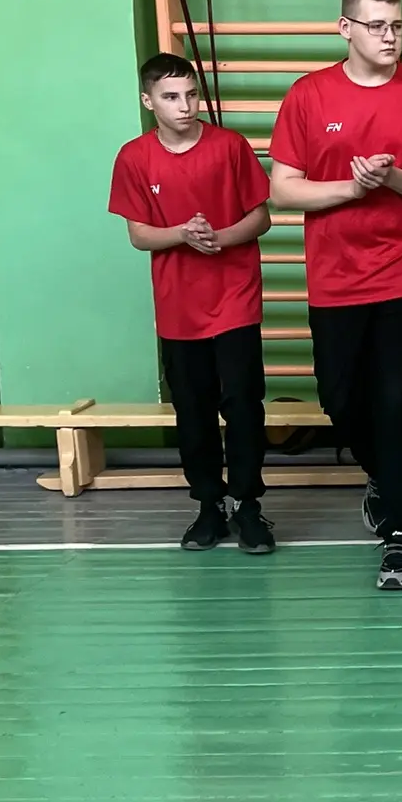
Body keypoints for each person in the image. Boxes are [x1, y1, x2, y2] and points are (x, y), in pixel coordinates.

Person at [268, 0, 402, 592]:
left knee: (397, 399)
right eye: (377, 26)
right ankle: (384, 475)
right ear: (345, 28)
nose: (390, 36)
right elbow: (283, 190)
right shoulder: (308, 95)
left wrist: (395, 178)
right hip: (336, 276)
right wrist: (353, 188)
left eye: (398, 26)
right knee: (340, 399)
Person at [110, 53, 275, 554]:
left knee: (243, 405)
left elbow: (261, 218)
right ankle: (209, 506)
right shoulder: (134, 157)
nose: (184, 106)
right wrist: (182, 233)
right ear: (148, 101)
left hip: (235, 299)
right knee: (193, 411)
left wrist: (217, 237)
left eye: (190, 95)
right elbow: (139, 235)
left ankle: (248, 505)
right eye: (170, 97)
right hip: (178, 308)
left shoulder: (230, 146)